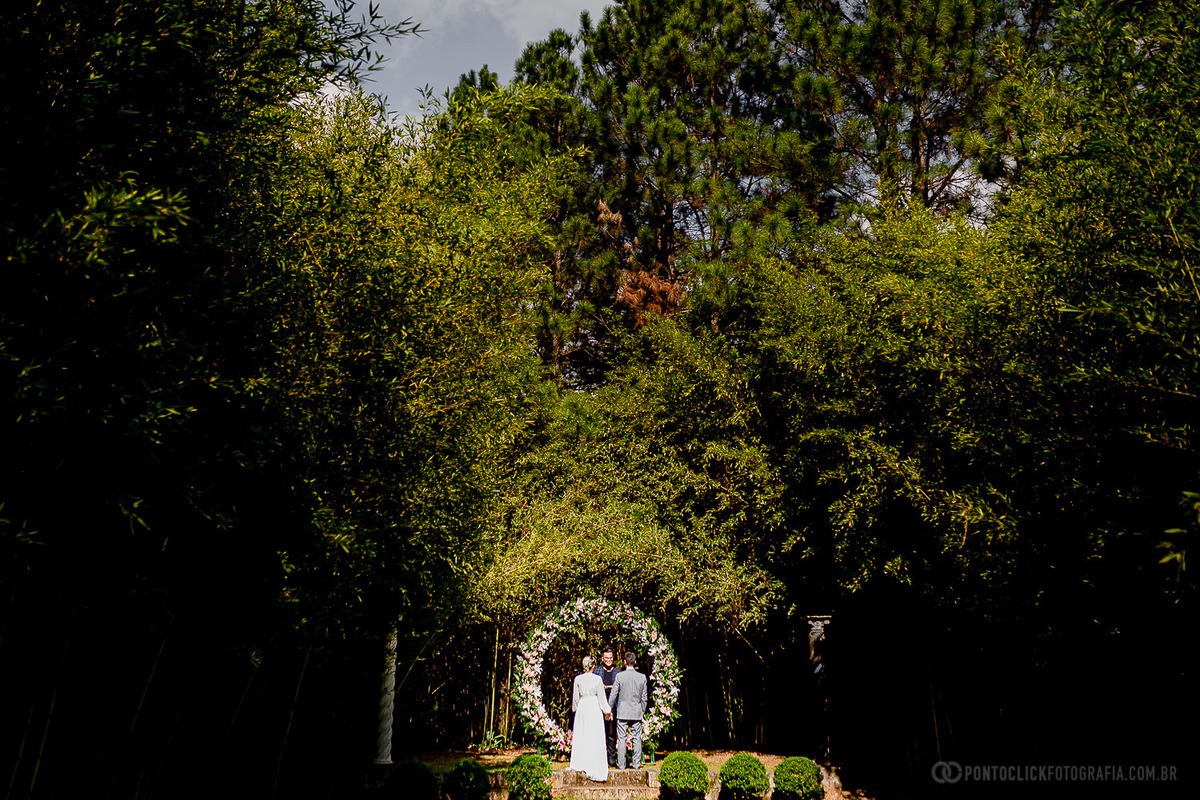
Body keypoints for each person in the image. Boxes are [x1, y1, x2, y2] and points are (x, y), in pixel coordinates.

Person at [570, 655, 612, 782]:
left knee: (583, 734)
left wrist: (576, 710)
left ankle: (581, 762)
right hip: (594, 708)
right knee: (594, 735)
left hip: (582, 707)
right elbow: (601, 698)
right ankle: (594, 763)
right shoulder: (597, 679)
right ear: (593, 666)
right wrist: (607, 711)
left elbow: (575, 699)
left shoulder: (578, 679)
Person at [607, 652, 648, 770]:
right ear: (635, 662)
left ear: (625, 662)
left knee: (621, 739)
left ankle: (622, 765)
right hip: (636, 711)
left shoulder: (620, 676)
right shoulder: (642, 677)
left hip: (623, 711)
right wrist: (642, 710)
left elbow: (613, 695)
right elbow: (644, 697)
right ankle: (636, 764)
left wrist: (609, 709)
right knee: (637, 738)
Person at [593, 648, 620, 766]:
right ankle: (599, 758)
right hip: (599, 704)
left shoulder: (618, 673)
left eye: (611, 658)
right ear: (602, 659)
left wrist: (614, 688)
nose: (609, 660)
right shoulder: (597, 671)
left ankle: (612, 759)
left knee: (611, 732)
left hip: (613, 705)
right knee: (599, 732)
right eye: (606, 658)